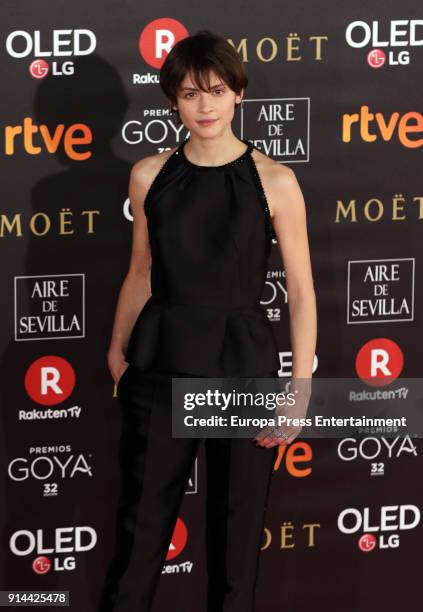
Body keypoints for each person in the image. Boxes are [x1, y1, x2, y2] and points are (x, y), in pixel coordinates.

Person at [98, 29, 316, 612]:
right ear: (173, 100)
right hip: (160, 366)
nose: (205, 106)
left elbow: (300, 288)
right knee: (139, 541)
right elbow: (141, 271)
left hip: (242, 370)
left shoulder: (275, 181)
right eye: (191, 94)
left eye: (216, 91)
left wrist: (299, 389)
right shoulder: (150, 175)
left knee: (235, 545)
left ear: (238, 94)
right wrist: (118, 352)